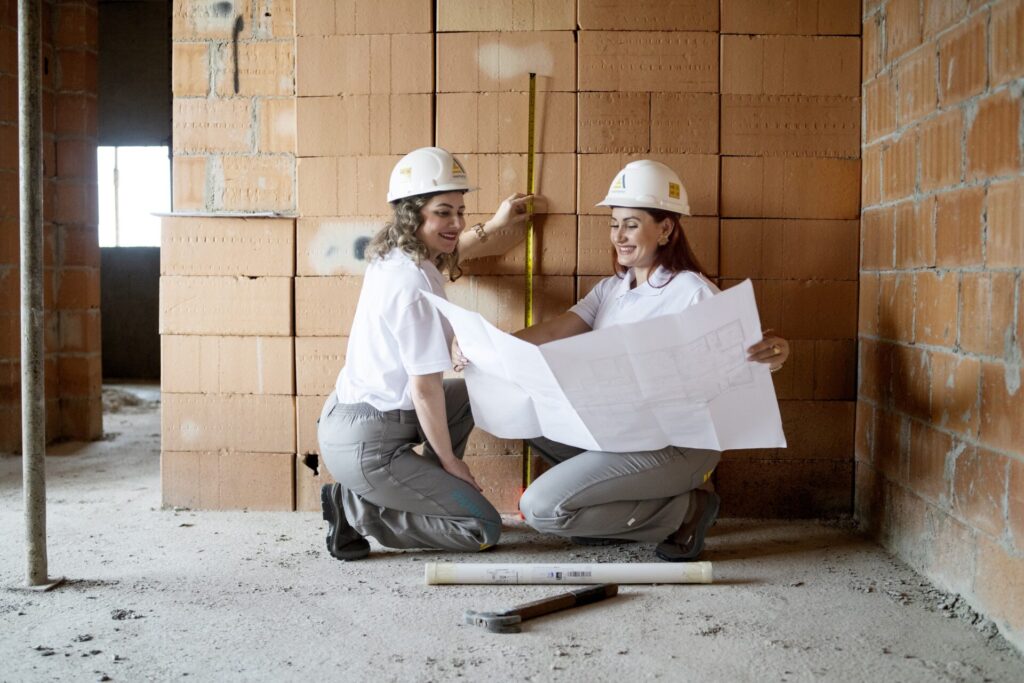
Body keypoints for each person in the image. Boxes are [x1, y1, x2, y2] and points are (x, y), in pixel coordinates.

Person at [457, 160, 790, 562]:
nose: (619, 235)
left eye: (631, 224)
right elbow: (552, 332)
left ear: (665, 228)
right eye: (615, 223)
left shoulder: (690, 292)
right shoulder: (612, 290)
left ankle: (686, 509)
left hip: (675, 445)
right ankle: (616, 511)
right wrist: (484, 349)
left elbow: (747, 352)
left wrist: (774, 352)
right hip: (621, 431)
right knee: (517, 399)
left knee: (543, 509)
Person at [317, 147, 531, 561]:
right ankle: (356, 508)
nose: (456, 223)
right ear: (413, 216)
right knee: (481, 528)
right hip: (370, 443)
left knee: (472, 394)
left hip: (350, 418)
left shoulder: (398, 255)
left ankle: (424, 489)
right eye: (443, 213)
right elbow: (425, 389)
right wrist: (451, 463)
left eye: (460, 211)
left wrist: (496, 225)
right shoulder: (413, 285)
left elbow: (452, 251)